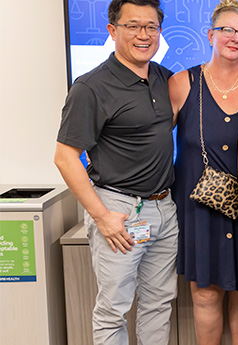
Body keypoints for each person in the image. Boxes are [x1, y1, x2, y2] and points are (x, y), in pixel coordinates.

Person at [53, 0, 178, 343]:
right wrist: (103, 217)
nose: (143, 34)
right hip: (118, 211)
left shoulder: (162, 78)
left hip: (164, 207)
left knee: (159, 304)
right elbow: (65, 157)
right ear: (112, 31)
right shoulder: (91, 87)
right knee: (113, 309)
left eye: (151, 27)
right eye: (133, 26)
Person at [167, 0, 238, 344]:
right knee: (205, 294)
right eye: (227, 30)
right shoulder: (181, 82)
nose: (235, 38)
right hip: (199, 208)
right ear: (210, 34)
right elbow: (152, 143)